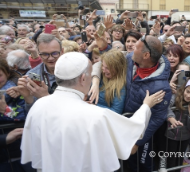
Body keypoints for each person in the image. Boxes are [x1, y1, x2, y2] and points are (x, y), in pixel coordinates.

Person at [21, 52, 166, 172]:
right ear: (83, 78)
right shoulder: (96, 115)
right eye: (92, 76)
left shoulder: (38, 105)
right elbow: (131, 129)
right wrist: (146, 106)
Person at [90, 35, 172, 172]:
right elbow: (108, 62)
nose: (131, 49)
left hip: (140, 134)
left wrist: (138, 142)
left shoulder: (161, 87)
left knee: (141, 166)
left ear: (146, 55)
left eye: (136, 48)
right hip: (123, 127)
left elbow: (157, 118)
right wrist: (96, 80)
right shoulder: (130, 59)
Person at [166, 78, 190, 170]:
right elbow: (165, 107)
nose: (189, 95)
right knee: (170, 160)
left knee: (179, 160)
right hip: (171, 136)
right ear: (184, 89)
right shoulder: (175, 97)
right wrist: (171, 117)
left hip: (185, 137)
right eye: (187, 91)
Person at [97, 50, 126, 114]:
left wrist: (93, 106)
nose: (103, 70)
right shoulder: (99, 76)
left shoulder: (120, 88)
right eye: (103, 66)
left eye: (107, 68)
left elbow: (116, 111)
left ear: (118, 68)